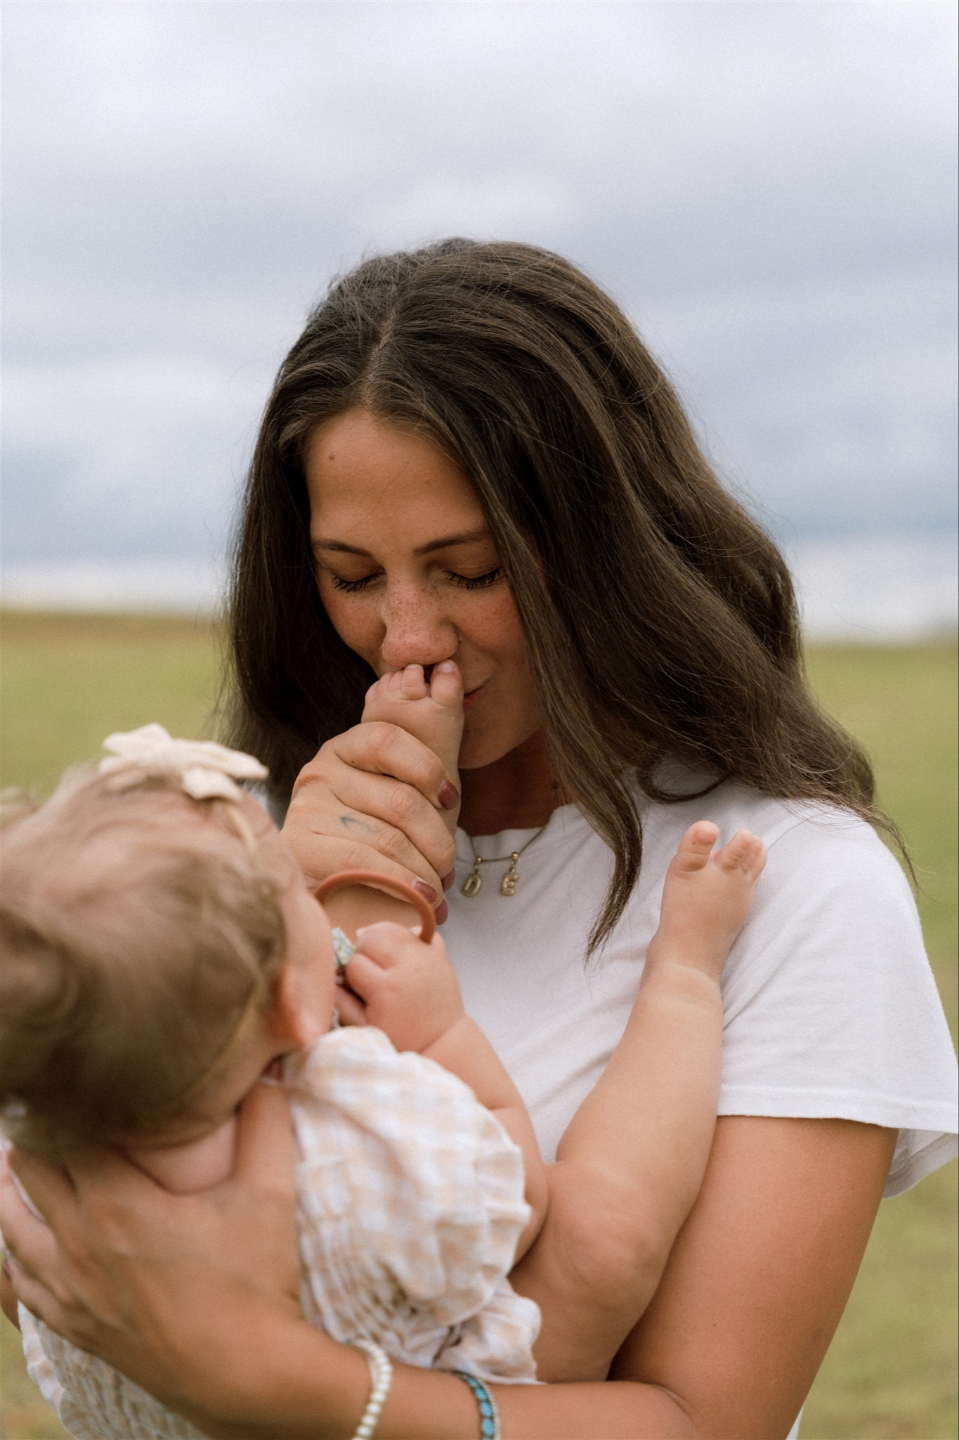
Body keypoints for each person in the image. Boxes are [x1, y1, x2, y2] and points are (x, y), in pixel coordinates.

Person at [1, 238, 956, 1440]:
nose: (406, 639)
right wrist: (267, 926)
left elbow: (703, 1420)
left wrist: (271, 1380)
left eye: (469, 570)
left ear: (611, 551)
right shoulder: (239, 861)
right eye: (351, 575)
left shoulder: (792, 884)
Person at [1, 716, 767, 1440]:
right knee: (603, 1231)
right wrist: (441, 1035)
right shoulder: (357, 1127)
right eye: (299, 892)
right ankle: (685, 974)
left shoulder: (35, 1163)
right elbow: (515, 1201)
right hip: (424, 1396)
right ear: (288, 1007)